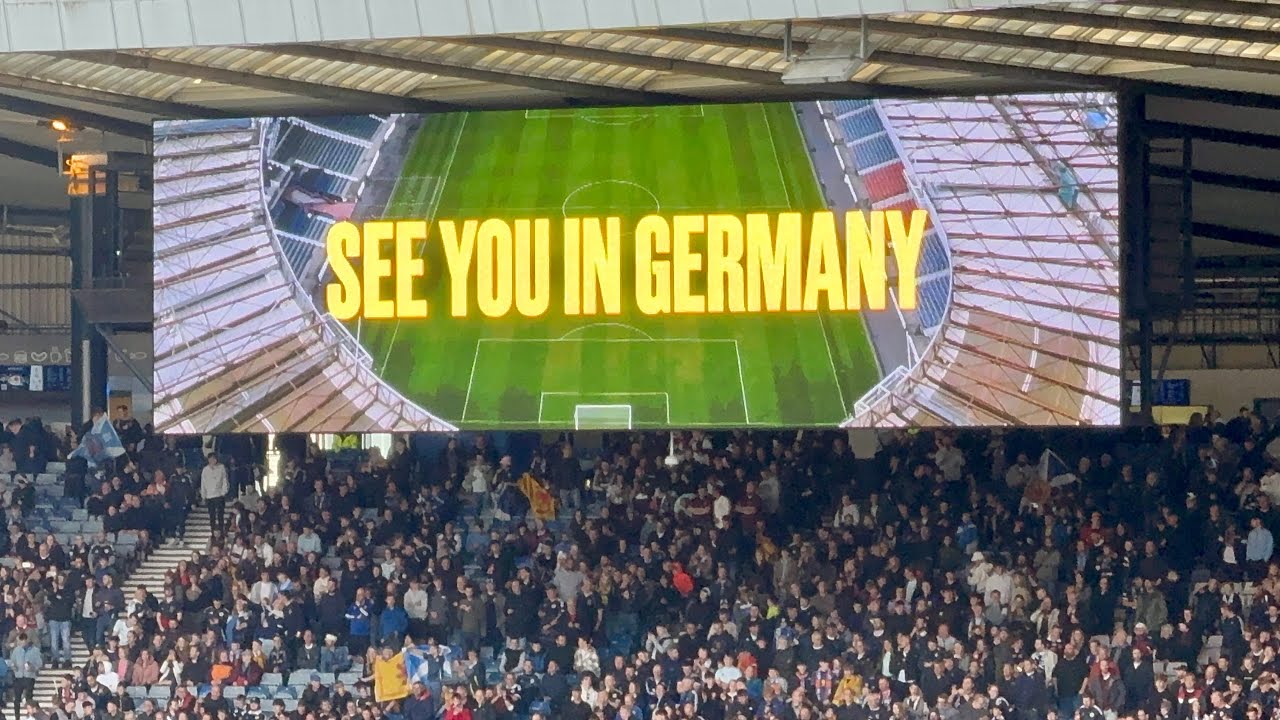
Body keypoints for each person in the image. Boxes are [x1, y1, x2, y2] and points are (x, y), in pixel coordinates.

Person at [200, 453, 229, 535]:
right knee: (212, 515)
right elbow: (203, 483)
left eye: (213, 459)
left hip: (219, 495)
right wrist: (203, 495)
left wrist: (224, 492)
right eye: (210, 459)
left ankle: (221, 531)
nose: (212, 460)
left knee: (220, 515)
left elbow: (224, 480)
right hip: (209, 496)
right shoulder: (205, 470)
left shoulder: (221, 467)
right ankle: (213, 532)